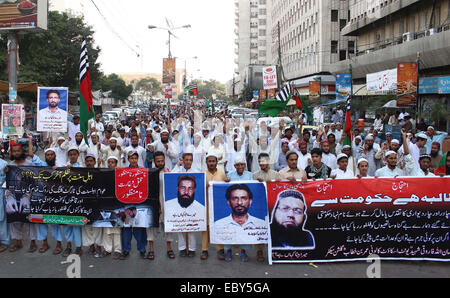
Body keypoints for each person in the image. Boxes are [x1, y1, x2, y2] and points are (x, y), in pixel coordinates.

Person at [214, 184, 267, 262]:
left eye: (244, 198)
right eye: (235, 198)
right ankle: (228, 251)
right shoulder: (219, 223)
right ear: (229, 202)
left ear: (250, 201)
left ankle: (243, 252)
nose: (239, 202)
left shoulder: (259, 223)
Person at [6, 142, 38, 253]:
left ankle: (33, 243)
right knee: (14, 220)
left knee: (29, 220)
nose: (16, 153)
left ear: (22, 152)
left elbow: (35, 180)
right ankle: (18, 242)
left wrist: (29, 195)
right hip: (13, 196)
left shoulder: (30, 164)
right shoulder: (10, 165)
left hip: (27, 196)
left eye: (18, 151)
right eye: (14, 151)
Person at [165, 173, 204, 258]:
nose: (186, 192)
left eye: (190, 188)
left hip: (193, 219)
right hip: (178, 220)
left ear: (194, 190)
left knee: (192, 229)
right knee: (180, 228)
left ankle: (192, 249)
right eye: (183, 188)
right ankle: (182, 249)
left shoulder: (200, 207)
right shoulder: (170, 204)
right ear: (177, 188)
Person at [146, 151, 175, 260]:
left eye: (162, 161)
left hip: (166, 205)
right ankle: (151, 250)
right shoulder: (149, 173)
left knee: (168, 227)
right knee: (151, 227)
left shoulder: (168, 173)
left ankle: (169, 249)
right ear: (154, 161)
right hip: (153, 205)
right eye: (158, 161)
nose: (160, 163)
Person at [120, 151, 147, 260]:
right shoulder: (123, 172)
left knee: (139, 228)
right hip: (126, 204)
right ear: (128, 159)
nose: (134, 160)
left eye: (135, 158)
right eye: (131, 158)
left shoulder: (143, 171)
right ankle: (125, 250)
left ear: (138, 159)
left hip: (139, 204)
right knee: (126, 229)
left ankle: (142, 249)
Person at [204, 153, 227, 260]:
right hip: (206, 205)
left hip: (218, 205)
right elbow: (198, 189)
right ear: (206, 162)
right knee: (206, 227)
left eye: (213, 161)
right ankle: (205, 250)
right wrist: (204, 186)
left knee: (219, 225)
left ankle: (220, 250)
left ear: (217, 162)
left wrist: (228, 182)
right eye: (210, 161)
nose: (211, 163)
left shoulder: (222, 173)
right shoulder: (203, 174)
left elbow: (226, 188)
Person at [62, 146, 83, 256]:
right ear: (68, 156)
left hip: (77, 199)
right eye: (71, 154)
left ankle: (79, 247)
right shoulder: (64, 167)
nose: (73, 156)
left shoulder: (82, 167)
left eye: (74, 154)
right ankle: (69, 245)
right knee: (67, 224)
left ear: (78, 155)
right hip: (66, 199)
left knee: (76, 223)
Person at [101, 156, 122, 260]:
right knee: (107, 227)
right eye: (109, 162)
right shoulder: (104, 174)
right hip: (106, 204)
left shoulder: (120, 173)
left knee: (117, 228)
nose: (110, 164)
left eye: (112, 162)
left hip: (117, 204)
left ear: (116, 163)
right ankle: (107, 249)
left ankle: (118, 250)